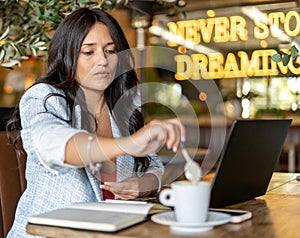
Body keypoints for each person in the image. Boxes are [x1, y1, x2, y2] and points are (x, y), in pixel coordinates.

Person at [7, 7, 185, 237]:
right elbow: (53, 144)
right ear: (68, 55)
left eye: (110, 51)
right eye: (89, 52)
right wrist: (128, 144)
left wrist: (143, 185)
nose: (103, 60)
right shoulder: (43, 97)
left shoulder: (124, 107)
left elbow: (152, 166)